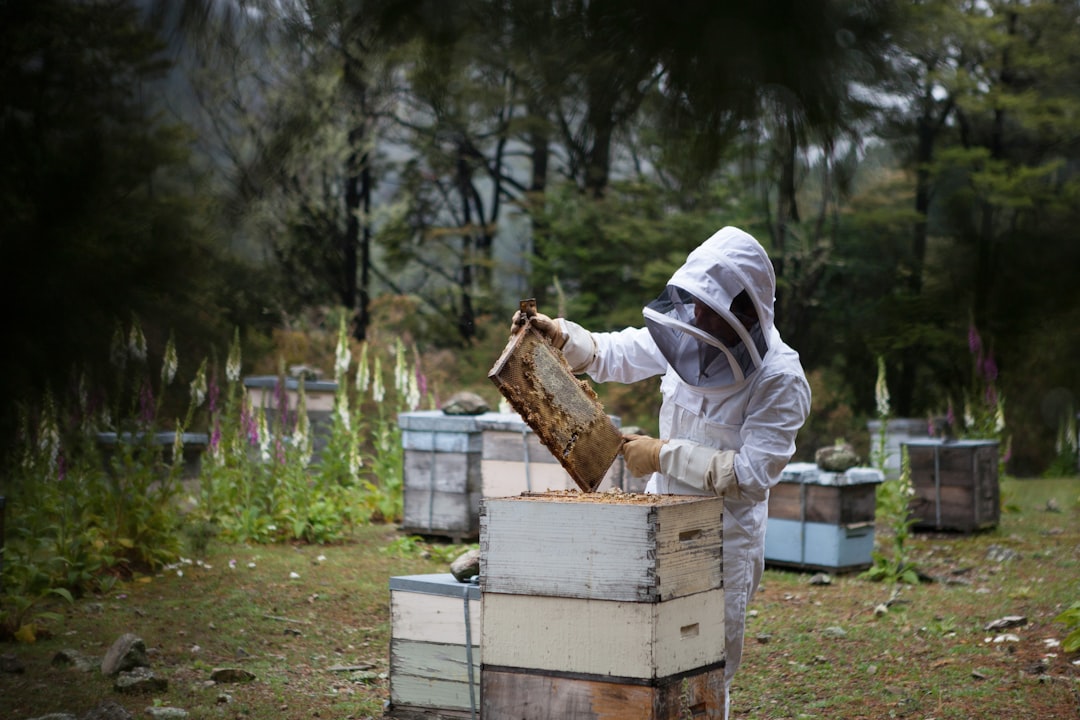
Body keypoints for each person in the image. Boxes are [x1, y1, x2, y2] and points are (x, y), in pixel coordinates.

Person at [513, 226, 811, 719]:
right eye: (693, 305)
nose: (696, 319)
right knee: (643, 661)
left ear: (744, 312)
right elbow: (615, 353)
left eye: (710, 311)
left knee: (702, 677)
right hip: (657, 527)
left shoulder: (780, 379)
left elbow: (753, 476)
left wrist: (660, 454)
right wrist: (561, 335)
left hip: (723, 543)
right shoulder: (690, 335)